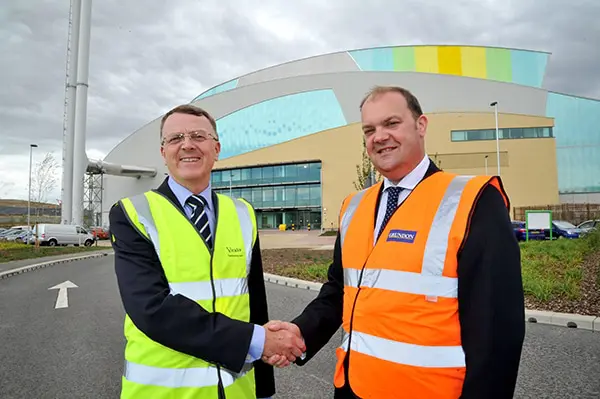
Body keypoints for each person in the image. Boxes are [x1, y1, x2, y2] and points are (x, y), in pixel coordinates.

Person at [264, 86, 526, 398]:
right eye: (369, 129)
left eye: (391, 123)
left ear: (421, 125)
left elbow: (497, 331)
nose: (379, 136)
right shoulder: (354, 206)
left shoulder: (473, 200)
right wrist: (301, 332)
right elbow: (339, 291)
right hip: (352, 389)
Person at [109, 104, 305, 399]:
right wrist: (259, 341)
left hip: (236, 390)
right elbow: (151, 309)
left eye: (198, 136)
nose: (187, 144)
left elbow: (255, 304)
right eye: (175, 139)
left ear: (216, 149)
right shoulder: (132, 214)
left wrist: (264, 387)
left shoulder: (242, 214)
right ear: (163, 153)